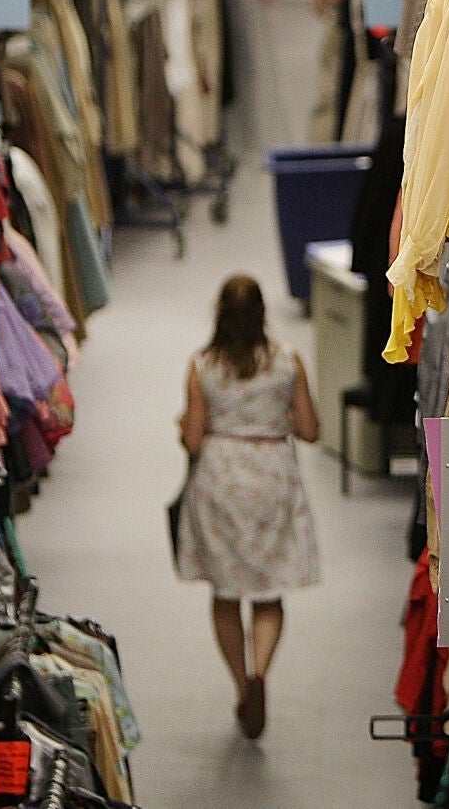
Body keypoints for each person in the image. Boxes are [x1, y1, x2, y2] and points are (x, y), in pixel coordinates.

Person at [175, 274, 321, 738]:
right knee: (268, 588)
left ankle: (241, 686)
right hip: (271, 473)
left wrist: (184, 426)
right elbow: (311, 429)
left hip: (221, 476)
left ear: (219, 313)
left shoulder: (201, 367)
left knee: (225, 591)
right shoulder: (287, 363)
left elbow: (194, 439)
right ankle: (260, 673)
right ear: (262, 313)